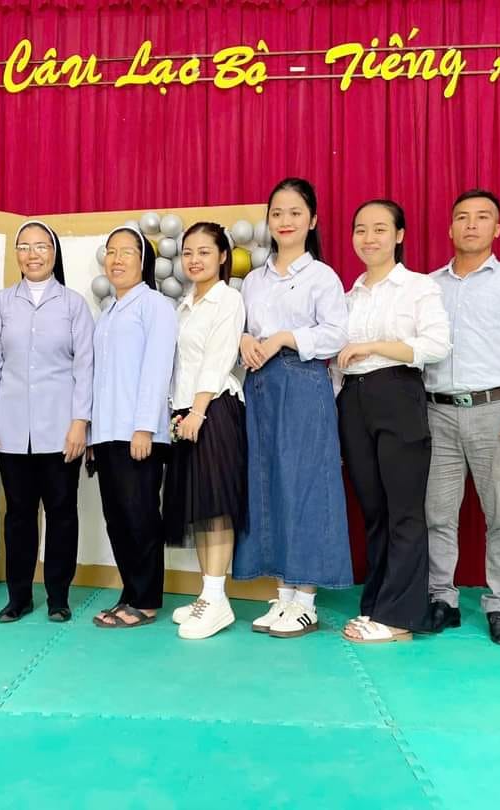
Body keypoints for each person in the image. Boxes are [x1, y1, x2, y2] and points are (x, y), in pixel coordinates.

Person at [235, 177, 354, 638]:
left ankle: (306, 599)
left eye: (295, 213)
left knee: (305, 484)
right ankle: (283, 595)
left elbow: (336, 334)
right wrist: (244, 339)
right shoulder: (253, 280)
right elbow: (243, 327)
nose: (285, 221)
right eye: (277, 213)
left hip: (303, 383)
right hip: (260, 385)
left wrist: (285, 337)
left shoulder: (322, 276)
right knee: (267, 483)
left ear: (313, 220)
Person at [424, 189, 500, 646]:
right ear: (450, 227)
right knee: (437, 513)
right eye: (462, 217)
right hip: (436, 411)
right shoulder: (428, 286)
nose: (471, 224)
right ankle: (442, 598)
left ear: (497, 228)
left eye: (482, 217)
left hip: (496, 411)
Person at [336, 200, 450, 644]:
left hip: (398, 393)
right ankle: (378, 604)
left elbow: (437, 344)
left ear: (399, 235)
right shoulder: (348, 296)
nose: (369, 238)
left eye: (380, 229)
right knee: (374, 510)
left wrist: (374, 347)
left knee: (404, 510)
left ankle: (400, 616)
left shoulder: (418, 286)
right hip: (353, 400)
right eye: (361, 229)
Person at [0, 220, 94, 623]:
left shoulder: (74, 304)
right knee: (18, 515)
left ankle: (58, 597)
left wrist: (80, 421)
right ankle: (19, 597)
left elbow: (85, 367)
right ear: (17, 255)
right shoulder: (0, 304)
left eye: (41, 246)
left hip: (61, 429)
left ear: (54, 253)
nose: (33, 254)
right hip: (11, 428)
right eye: (24, 247)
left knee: (62, 512)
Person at [90, 226, 176, 628]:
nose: (117, 259)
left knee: (140, 516)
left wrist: (144, 427)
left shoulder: (155, 305)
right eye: (111, 251)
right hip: (107, 433)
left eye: (127, 251)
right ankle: (129, 592)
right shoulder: (108, 312)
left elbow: (157, 368)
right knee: (117, 518)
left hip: (138, 433)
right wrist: (93, 435)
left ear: (144, 261)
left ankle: (145, 600)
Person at [164, 222, 247, 640]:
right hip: (186, 412)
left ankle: (217, 599)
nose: (194, 260)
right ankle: (208, 595)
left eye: (204, 252)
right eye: (188, 253)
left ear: (222, 256)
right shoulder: (184, 305)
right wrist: (178, 412)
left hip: (213, 408)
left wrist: (198, 410)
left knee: (215, 508)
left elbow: (218, 356)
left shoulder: (228, 299)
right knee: (198, 509)